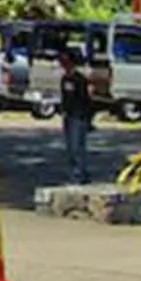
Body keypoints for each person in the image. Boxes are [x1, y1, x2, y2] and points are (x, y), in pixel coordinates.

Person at [57, 45, 96, 183]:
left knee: (77, 147)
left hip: (78, 116)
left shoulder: (78, 79)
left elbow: (85, 99)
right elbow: (64, 97)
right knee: (70, 147)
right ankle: (78, 172)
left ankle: (79, 174)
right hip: (68, 115)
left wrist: (88, 118)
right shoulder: (64, 79)